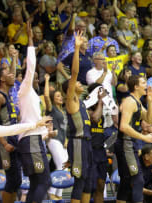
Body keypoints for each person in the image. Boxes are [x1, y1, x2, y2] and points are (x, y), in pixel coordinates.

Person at [16, 23, 53, 203]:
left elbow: (32, 119)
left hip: (34, 139)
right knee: (45, 181)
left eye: (38, 78)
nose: (36, 79)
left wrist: (47, 133)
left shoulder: (32, 97)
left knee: (36, 182)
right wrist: (30, 41)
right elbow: (30, 67)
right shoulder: (24, 89)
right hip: (30, 141)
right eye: (35, 77)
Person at [114, 74, 152, 203]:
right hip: (125, 144)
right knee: (138, 180)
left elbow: (150, 121)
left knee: (126, 182)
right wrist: (144, 138)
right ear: (136, 86)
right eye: (144, 83)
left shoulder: (137, 101)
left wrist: (150, 102)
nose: (147, 85)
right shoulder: (129, 102)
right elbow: (123, 126)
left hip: (130, 143)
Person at [62, 31, 93, 203]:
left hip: (85, 144)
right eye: (77, 83)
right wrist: (76, 48)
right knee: (80, 182)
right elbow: (74, 73)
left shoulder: (82, 103)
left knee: (88, 182)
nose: (80, 83)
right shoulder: (72, 100)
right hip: (78, 143)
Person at [0, 54, 20, 202]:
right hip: (5, 142)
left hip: (13, 138)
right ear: (2, 79)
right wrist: (4, 143)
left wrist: (14, 58)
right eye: (8, 74)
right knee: (12, 180)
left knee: (16, 181)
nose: (12, 76)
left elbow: (12, 74)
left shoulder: (8, 94)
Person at [44, 74, 68, 200]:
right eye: (57, 96)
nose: (60, 98)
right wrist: (47, 80)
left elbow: (66, 128)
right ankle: (51, 191)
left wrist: (67, 140)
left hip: (63, 141)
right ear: (53, 99)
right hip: (53, 140)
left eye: (60, 96)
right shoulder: (51, 108)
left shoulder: (64, 111)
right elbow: (46, 96)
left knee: (65, 168)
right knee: (61, 166)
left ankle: (59, 195)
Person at [86, 83, 108, 203]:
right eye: (101, 91)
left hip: (101, 150)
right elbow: (95, 118)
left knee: (101, 185)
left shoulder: (101, 107)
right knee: (89, 186)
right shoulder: (86, 107)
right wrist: (100, 102)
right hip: (90, 150)